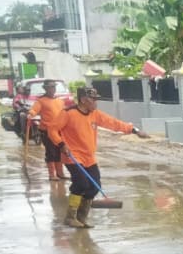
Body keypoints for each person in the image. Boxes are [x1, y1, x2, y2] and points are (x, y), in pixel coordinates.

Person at [43, 85, 148, 229]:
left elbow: (113, 123)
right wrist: (61, 144)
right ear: (84, 100)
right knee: (81, 183)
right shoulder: (68, 113)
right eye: (93, 99)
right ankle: (70, 217)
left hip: (89, 157)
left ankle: (81, 217)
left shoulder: (95, 114)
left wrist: (134, 130)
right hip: (72, 155)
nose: (96, 103)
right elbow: (52, 130)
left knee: (94, 187)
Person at [28, 80, 71, 181]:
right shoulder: (41, 101)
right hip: (46, 130)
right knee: (51, 152)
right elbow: (34, 109)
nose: (52, 89)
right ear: (45, 89)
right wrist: (31, 114)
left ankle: (60, 173)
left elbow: (65, 113)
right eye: (50, 87)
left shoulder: (60, 101)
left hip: (59, 130)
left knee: (60, 152)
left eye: (53, 87)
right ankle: (52, 175)